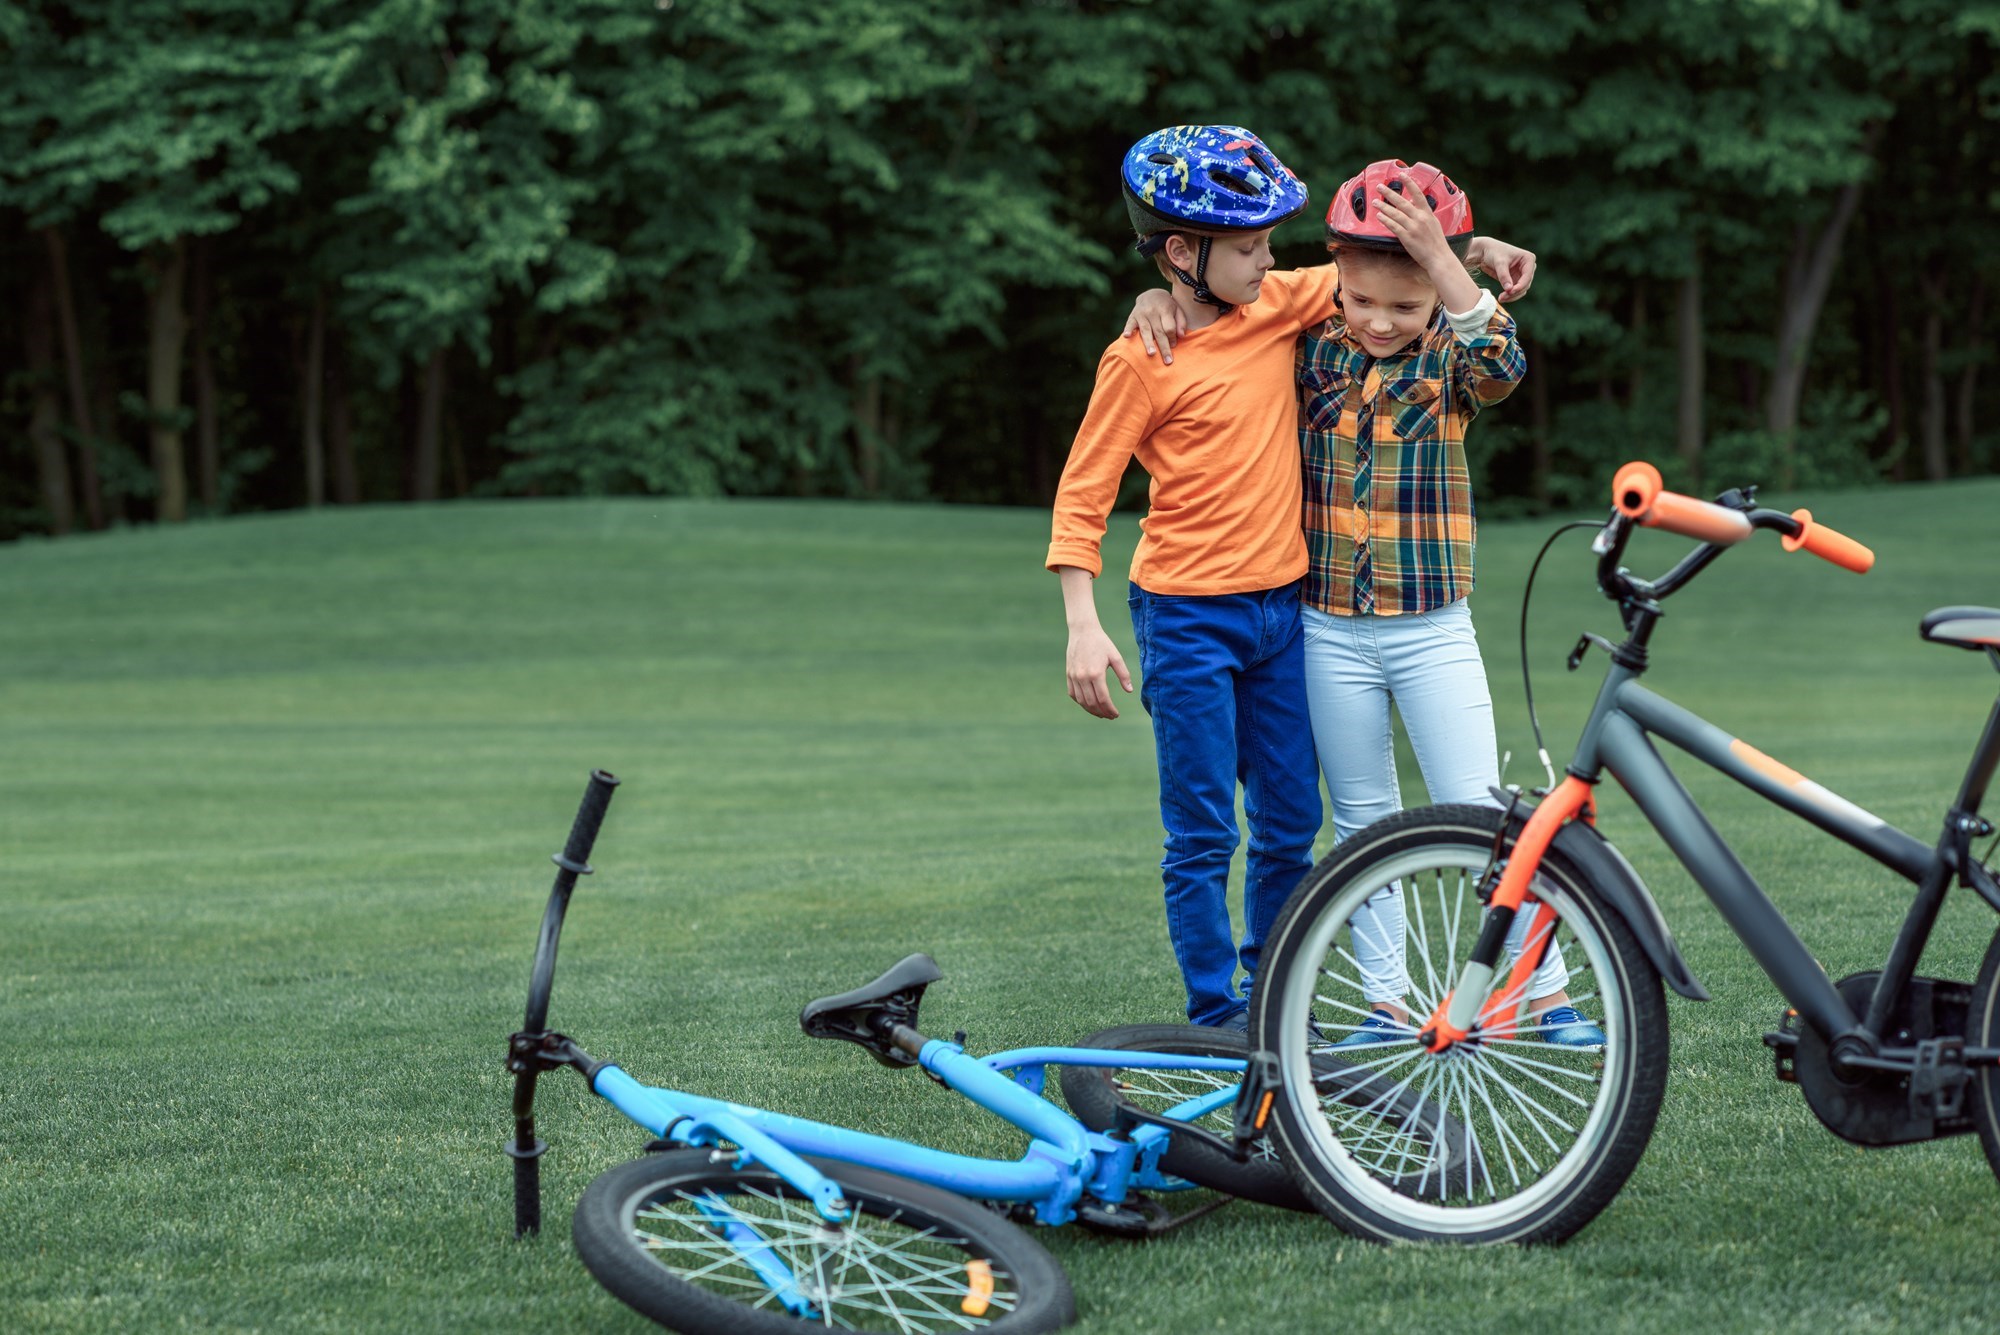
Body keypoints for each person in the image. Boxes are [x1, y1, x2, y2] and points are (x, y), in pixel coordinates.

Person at [1050, 127, 1535, 1032]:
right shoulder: (1168, 354)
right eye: (1248, 247)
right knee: (1206, 829)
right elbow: (1083, 493)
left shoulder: (1286, 307)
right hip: (1194, 615)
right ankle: (1214, 1011)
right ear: (1182, 254)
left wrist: (1476, 253)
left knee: (1290, 823)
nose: (1272, 262)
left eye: (1271, 245)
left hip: (1288, 614)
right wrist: (1082, 620)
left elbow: (1400, 279)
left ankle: (1275, 995)